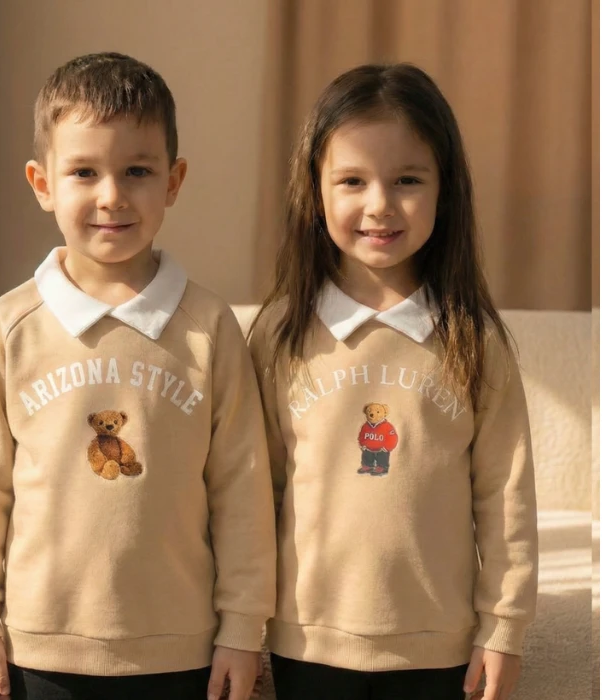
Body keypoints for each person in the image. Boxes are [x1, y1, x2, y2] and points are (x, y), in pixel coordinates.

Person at [0, 51, 275, 700]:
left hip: (180, 648)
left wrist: (243, 627)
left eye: (137, 171)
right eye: (84, 172)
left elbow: (243, 490)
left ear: (173, 181)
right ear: (43, 183)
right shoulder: (12, 327)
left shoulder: (209, 328)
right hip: (42, 646)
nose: (112, 196)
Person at [249, 63, 538, 700]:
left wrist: (505, 628)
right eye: (352, 180)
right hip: (306, 643)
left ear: (445, 191)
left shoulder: (475, 340)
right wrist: (241, 626)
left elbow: (506, 498)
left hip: (438, 647)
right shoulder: (278, 335)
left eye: (407, 179)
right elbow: (252, 492)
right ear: (314, 191)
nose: (379, 204)